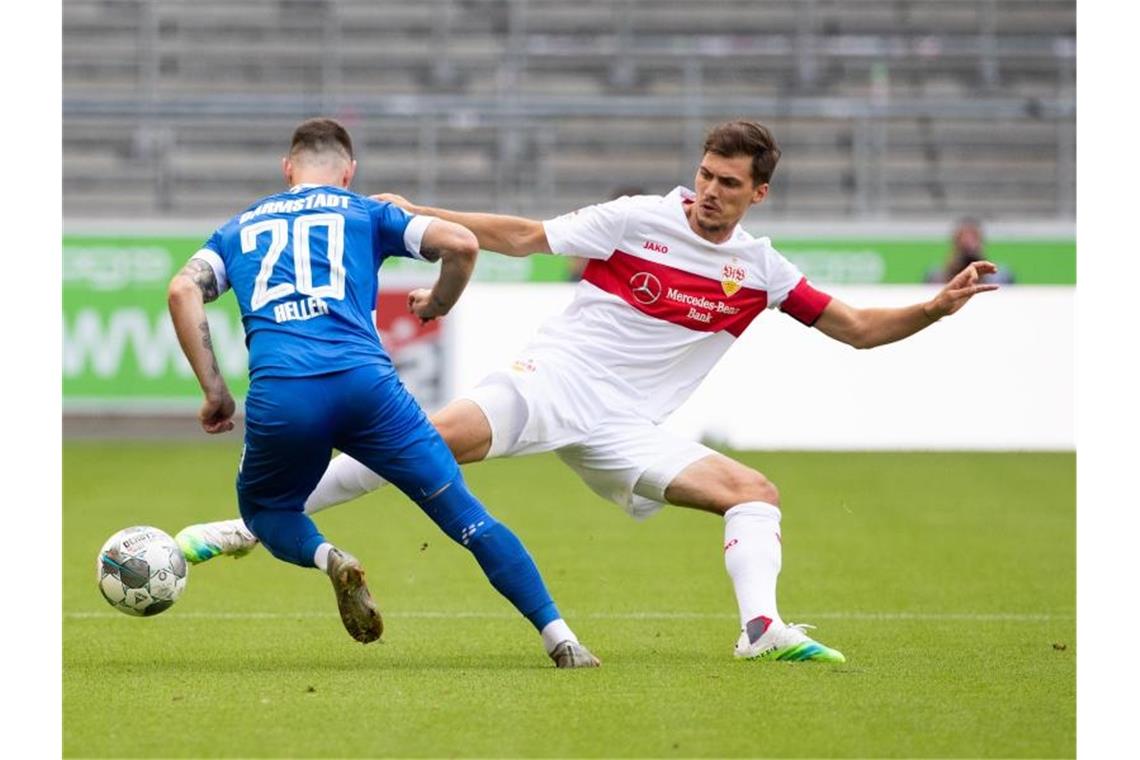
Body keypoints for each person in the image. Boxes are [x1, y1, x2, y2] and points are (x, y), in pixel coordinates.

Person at [178, 119, 1000, 663]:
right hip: (557, 379)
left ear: (759, 193)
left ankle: (761, 629)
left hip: (629, 425)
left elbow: (855, 328)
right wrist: (415, 210)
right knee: (421, 446)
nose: (709, 190)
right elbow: (526, 237)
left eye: (728, 183)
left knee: (753, 493)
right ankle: (249, 525)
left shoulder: (762, 270)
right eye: (706, 174)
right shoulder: (640, 217)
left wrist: (937, 304)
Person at [168, 117, 598, 668]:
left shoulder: (238, 228)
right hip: (368, 389)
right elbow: (462, 243)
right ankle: (561, 639)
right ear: (348, 172)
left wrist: (214, 393)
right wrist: (439, 302)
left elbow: (183, 289)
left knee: (265, 511)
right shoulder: (365, 212)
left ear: (286, 167)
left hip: (284, 394)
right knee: (467, 516)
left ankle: (330, 557)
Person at [925, 217, 1014, 285]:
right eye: (963, 239)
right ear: (955, 243)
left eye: (973, 238)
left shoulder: (1002, 276)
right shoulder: (936, 276)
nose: (968, 244)